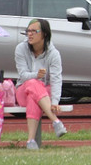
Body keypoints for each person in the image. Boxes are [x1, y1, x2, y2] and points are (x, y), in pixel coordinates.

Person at [15, 18, 67, 150]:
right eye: (28, 31)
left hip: (44, 94)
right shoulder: (20, 49)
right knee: (33, 83)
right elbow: (23, 75)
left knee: (34, 97)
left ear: (44, 34)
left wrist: (55, 101)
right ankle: (55, 121)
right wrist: (36, 75)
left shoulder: (54, 54)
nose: (30, 34)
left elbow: (56, 79)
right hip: (23, 89)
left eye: (34, 31)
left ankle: (31, 141)